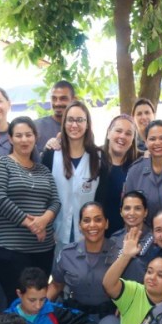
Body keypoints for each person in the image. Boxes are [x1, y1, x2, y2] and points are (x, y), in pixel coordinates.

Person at [0, 116, 60, 305]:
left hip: (43, 250)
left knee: (36, 302)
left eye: (28, 135)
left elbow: (55, 201)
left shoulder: (43, 170)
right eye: (18, 135)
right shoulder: (0, 164)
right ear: (10, 139)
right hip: (9, 250)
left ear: (35, 137)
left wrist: (43, 220)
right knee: (16, 302)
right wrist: (31, 224)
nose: (24, 139)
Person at [95, 227, 162, 324]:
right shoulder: (133, 291)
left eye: (160, 275)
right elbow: (108, 284)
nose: (152, 277)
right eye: (149, 271)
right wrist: (126, 255)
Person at [48, 202, 119, 324]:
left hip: (108, 315)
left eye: (98, 219)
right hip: (77, 315)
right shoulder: (67, 254)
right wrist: (36, 307)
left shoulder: (119, 254)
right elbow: (56, 285)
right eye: (86, 220)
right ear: (80, 225)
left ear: (106, 224)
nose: (92, 225)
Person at [41, 100, 103, 257]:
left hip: (90, 235)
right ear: (64, 123)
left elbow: (103, 199)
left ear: (87, 124)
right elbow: (44, 196)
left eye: (80, 120)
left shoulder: (99, 157)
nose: (74, 125)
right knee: (59, 279)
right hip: (56, 234)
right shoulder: (51, 154)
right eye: (70, 120)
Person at [99, 114, 139, 236]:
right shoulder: (93, 160)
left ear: (133, 139)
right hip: (96, 235)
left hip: (127, 236)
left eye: (128, 133)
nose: (122, 136)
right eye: (118, 131)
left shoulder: (140, 165)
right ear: (108, 134)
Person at [107, 191, 153, 270]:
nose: (132, 213)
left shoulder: (155, 239)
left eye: (137, 208)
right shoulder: (114, 239)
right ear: (121, 212)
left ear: (145, 212)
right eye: (127, 208)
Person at [35, 80, 75, 153]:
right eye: (54, 99)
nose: (57, 103)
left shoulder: (79, 129)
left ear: (74, 100)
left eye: (63, 98)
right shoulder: (37, 126)